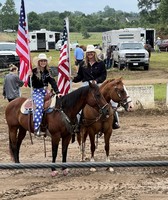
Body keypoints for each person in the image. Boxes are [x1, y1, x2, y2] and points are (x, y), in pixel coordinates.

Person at [72, 44, 120, 129]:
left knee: (109, 100)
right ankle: (78, 123)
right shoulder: (83, 64)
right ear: (86, 54)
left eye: (91, 52)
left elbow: (104, 75)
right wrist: (73, 79)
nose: (90, 54)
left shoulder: (100, 63)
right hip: (86, 84)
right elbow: (80, 76)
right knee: (79, 102)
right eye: (88, 53)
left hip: (98, 84)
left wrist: (96, 80)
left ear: (94, 53)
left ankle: (114, 121)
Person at [28, 53, 61, 136]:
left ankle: (52, 125)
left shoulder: (47, 71)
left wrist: (57, 92)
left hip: (46, 91)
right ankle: (37, 127)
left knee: (56, 105)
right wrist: (30, 77)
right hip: (37, 92)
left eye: (44, 61)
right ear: (39, 62)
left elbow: (52, 82)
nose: (43, 62)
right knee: (39, 106)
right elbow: (29, 84)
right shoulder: (34, 71)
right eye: (41, 61)